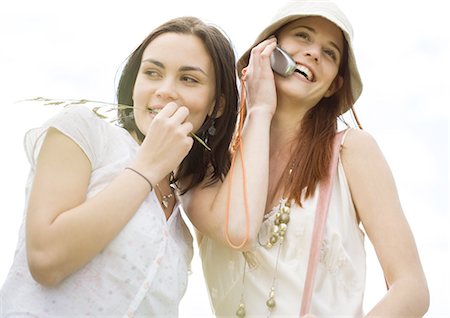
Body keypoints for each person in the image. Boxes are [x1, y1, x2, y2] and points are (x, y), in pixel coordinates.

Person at [183, 0, 429, 317]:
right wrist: (259, 111)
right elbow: (236, 232)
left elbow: (411, 288)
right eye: (302, 35)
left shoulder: (352, 151)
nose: (314, 52)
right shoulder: (208, 164)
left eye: (330, 53)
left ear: (334, 85)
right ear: (267, 49)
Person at [0, 16, 238, 317]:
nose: (164, 90)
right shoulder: (84, 132)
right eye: (152, 72)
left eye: (188, 79)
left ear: (216, 105)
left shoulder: (181, 228)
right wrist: (147, 167)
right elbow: (46, 259)